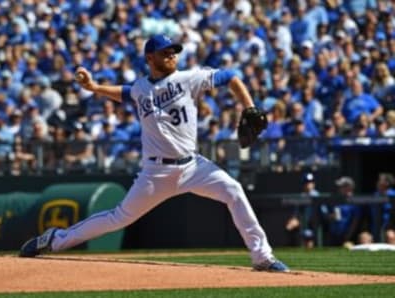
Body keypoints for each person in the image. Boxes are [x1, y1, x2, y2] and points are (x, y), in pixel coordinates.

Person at [19, 34, 289, 272]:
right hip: (155, 173)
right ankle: (54, 239)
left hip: (193, 166)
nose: (172, 55)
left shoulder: (188, 78)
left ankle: (262, 257)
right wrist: (94, 88)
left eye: (173, 51)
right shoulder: (140, 88)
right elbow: (125, 93)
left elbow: (230, 77)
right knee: (118, 218)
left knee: (234, 191)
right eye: (165, 52)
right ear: (150, 57)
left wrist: (249, 106)